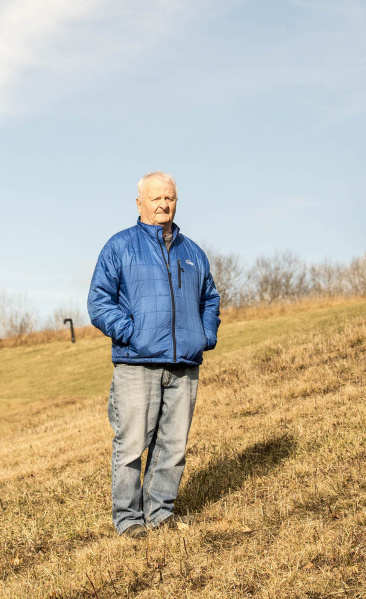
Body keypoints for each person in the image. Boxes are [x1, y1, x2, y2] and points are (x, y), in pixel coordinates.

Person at [88, 171, 221, 538]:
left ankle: (160, 513)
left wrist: (204, 335)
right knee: (131, 444)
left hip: (184, 365)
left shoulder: (192, 251)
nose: (164, 204)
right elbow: (99, 302)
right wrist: (133, 334)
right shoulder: (120, 246)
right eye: (156, 198)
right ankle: (128, 519)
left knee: (173, 446)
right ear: (139, 203)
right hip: (137, 363)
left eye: (170, 198)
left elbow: (210, 298)